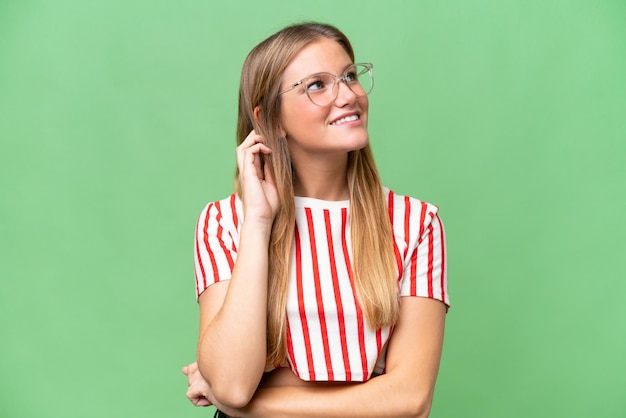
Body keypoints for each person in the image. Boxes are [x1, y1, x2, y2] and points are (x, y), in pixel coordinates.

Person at [182, 22, 450, 417]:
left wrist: (252, 406)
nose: (348, 95)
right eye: (317, 85)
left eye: (349, 76)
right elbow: (235, 383)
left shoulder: (415, 223)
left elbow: (409, 400)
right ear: (269, 118)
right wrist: (258, 221)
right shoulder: (224, 222)